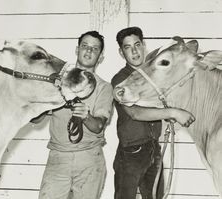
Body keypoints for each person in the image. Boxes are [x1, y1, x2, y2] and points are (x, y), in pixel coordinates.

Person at [111, 27, 195, 199]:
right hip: (131, 153)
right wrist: (173, 112)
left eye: (137, 44)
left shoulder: (154, 76)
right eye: (127, 47)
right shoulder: (120, 79)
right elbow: (135, 113)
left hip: (154, 149)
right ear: (121, 52)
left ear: (143, 45)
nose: (134, 51)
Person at [36, 31, 113, 199]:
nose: (89, 51)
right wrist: (39, 100)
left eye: (95, 48)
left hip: (90, 160)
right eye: (85, 46)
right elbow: (36, 119)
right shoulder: (56, 81)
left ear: (100, 57)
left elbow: (99, 126)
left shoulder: (104, 88)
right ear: (77, 49)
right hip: (58, 158)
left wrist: (86, 116)